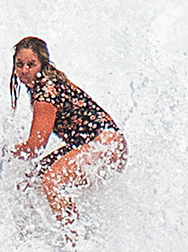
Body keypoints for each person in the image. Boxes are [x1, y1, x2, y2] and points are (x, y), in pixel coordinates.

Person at [7, 35, 125, 236]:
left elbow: (35, 146)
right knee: (31, 181)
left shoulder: (46, 93)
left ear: (42, 65)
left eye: (31, 64)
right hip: (91, 144)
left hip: (106, 145)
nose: (25, 70)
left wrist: (7, 152)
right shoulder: (45, 84)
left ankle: (77, 242)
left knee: (53, 181)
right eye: (20, 64)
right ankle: (34, 237)